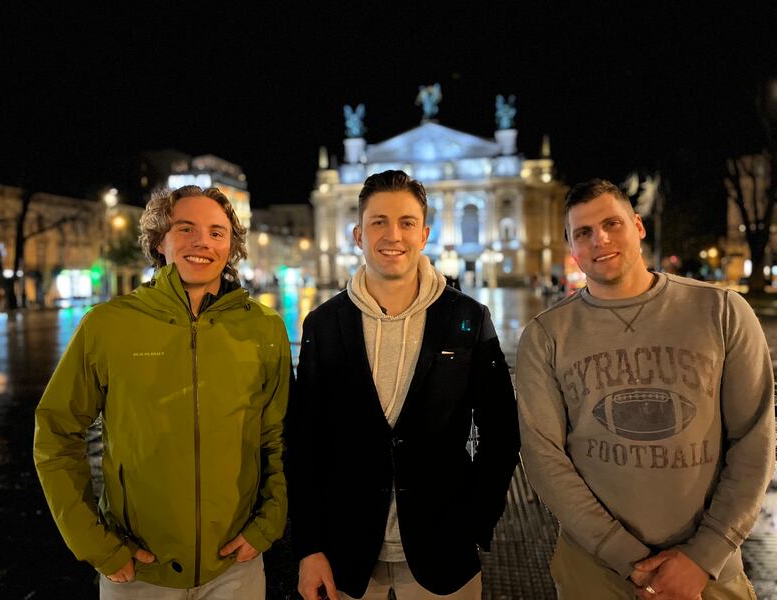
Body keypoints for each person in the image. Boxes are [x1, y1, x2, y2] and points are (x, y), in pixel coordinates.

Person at [516, 179, 775, 599]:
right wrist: (627, 560)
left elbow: (753, 441)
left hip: (708, 572)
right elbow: (544, 458)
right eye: (583, 232)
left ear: (637, 226)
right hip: (594, 572)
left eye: (611, 224)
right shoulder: (546, 335)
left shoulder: (723, 313)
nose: (599, 239)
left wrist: (703, 556)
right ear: (570, 244)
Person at [34, 185, 291, 598]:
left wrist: (268, 524)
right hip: (137, 571)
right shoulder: (107, 324)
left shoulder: (264, 328)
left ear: (232, 246)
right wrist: (97, 545)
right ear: (158, 241)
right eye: (185, 228)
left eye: (217, 232)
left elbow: (279, 436)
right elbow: (56, 434)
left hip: (235, 569)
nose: (202, 242)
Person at [288, 170, 519, 600]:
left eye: (406, 222)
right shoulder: (323, 324)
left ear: (425, 233)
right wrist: (309, 547)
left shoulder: (468, 317)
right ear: (358, 234)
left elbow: (502, 432)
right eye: (379, 221)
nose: (392, 234)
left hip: (444, 550)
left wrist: (477, 518)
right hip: (346, 555)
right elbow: (304, 443)